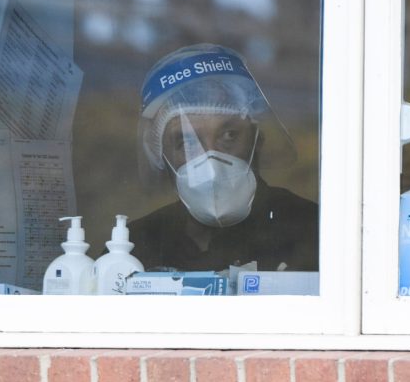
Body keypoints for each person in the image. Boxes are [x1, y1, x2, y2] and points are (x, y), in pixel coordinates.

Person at [128, 44, 318, 272]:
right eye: (187, 142)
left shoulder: (313, 230)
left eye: (229, 135)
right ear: (161, 156)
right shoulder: (135, 249)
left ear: (257, 141)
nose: (211, 161)